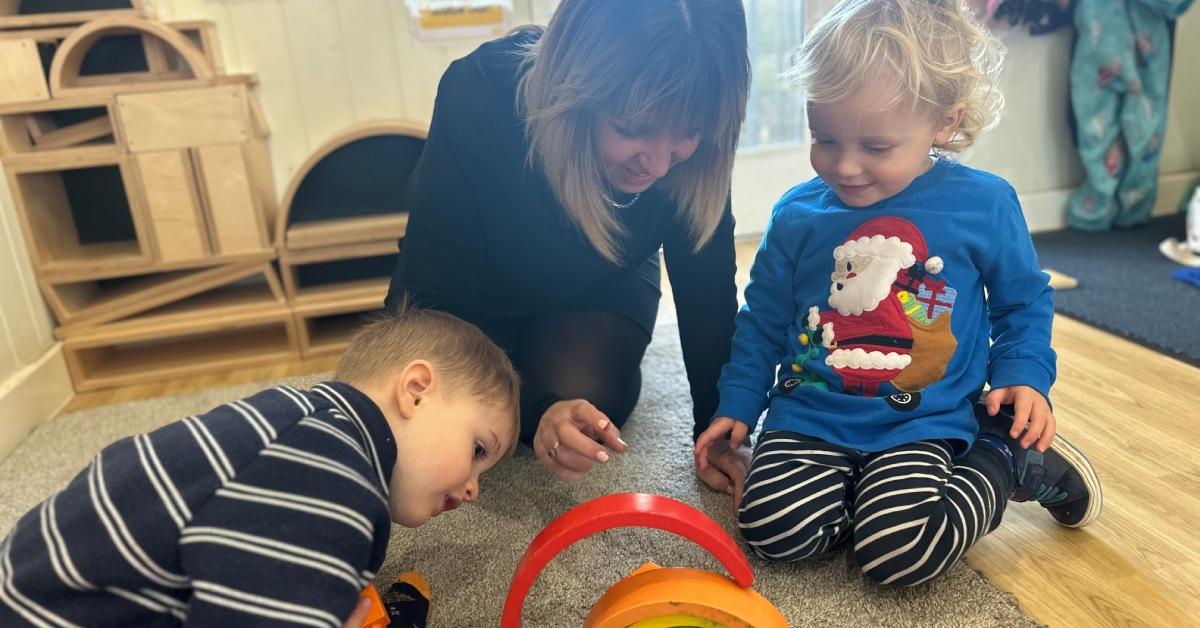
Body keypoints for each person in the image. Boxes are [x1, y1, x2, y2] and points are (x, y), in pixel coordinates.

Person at [694, 0, 1103, 586]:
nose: (846, 165)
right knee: (774, 531)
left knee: (900, 553)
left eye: (876, 147)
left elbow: (1022, 302)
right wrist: (737, 403)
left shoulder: (983, 204)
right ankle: (854, 498)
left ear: (945, 122)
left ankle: (1004, 458)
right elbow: (761, 318)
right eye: (823, 138)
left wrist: (1026, 374)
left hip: (923, 420)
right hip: (810, 413)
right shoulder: (796, 213)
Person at [384, 0, 753, 492]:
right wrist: (535, 407)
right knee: (428, 412)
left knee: (584, 408)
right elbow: (429, 293)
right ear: (576, 92)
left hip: (604, 281)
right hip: (475, 285)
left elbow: (705, 288)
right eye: (632, 128)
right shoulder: (479, 93)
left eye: (687, 134)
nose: (660, 165)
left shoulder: (691, 140)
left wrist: (716, 425)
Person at [0, 307, 519, 626]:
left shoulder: (298, 422)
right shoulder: (331, 479)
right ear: (416, 390)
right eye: (477, 450)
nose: (472, 490)